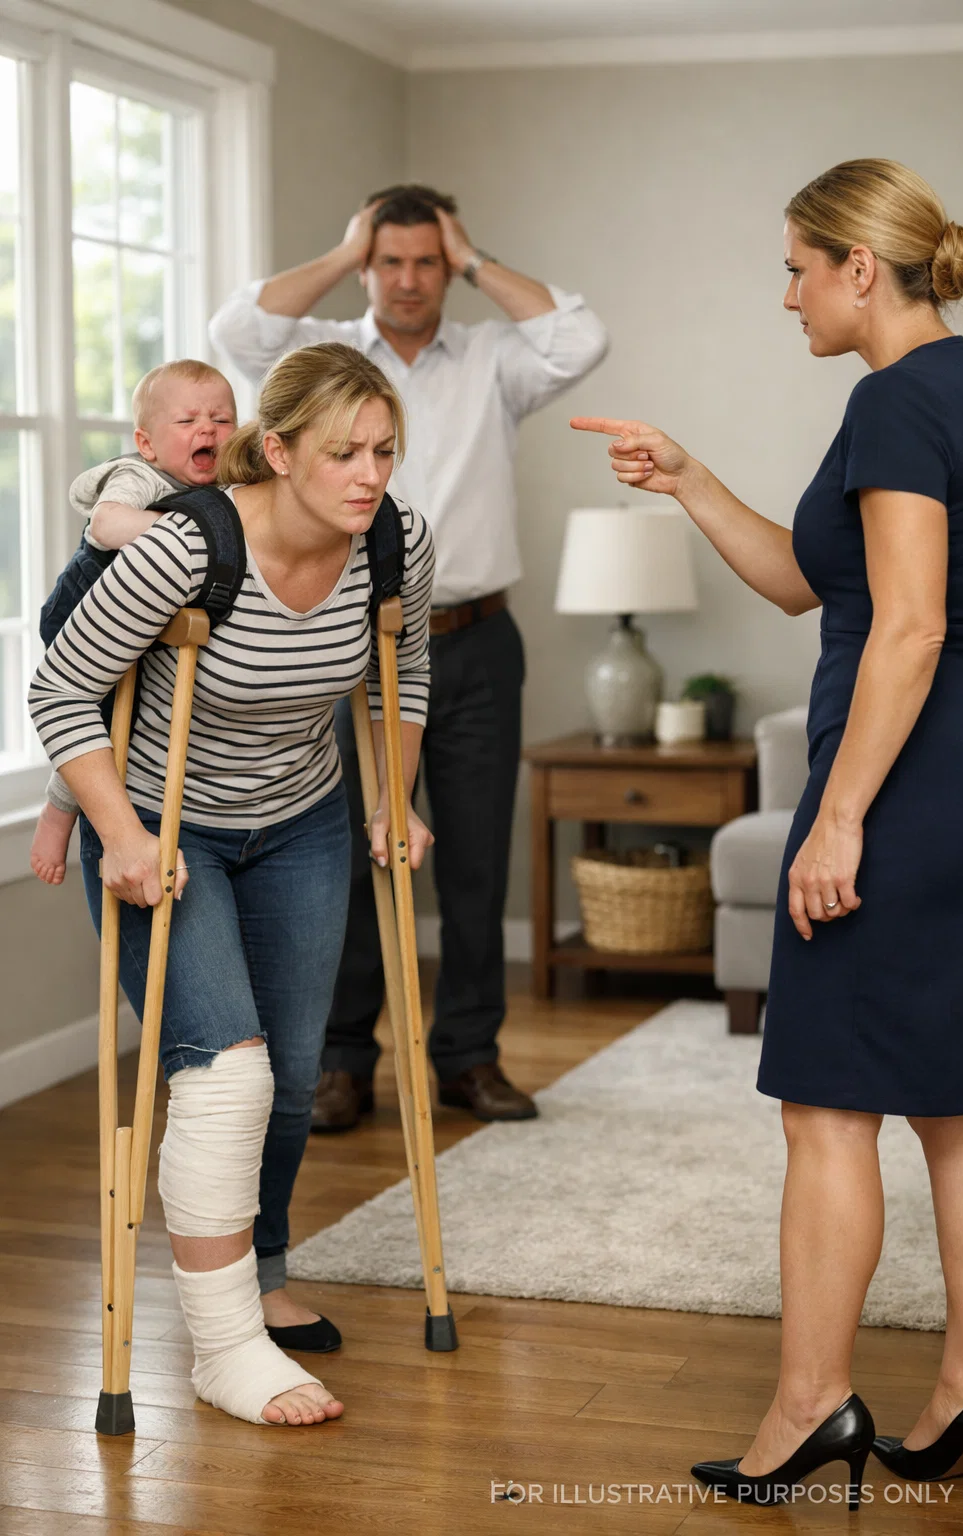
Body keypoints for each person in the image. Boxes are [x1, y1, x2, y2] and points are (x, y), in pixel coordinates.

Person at [574, 159, 963, 1506]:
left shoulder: (893, 401)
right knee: (960, 1106)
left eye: (795, 269)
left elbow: (907, 629)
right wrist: (689, 478)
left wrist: (835, 820)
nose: (788, 298)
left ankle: (810, 1408)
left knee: (829, 1108)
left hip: (905, 781)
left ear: (857, 268)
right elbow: (806, 583)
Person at [28, 342, 435, 1426]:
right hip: (163, 826)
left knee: (294, 1079)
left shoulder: (392, 541)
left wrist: (393, 797)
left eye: (385, 451)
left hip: (302, 821)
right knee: (227, 1076)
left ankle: (262, 1273)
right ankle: (223, 1348)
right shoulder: (183, 547)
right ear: (280, 450)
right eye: (344, 453)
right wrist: (118, 833)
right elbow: (60, 688)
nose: (369, 476)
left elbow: (406, 672)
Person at [209, 184, 608, 1128]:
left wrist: (475, 259)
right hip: (348, 649)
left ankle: (469, 1057)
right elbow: (235, 330)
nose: (409, 279)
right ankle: (343, 1061)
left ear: (447, 266)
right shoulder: (328, 357)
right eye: (390, 260)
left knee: (475, 861)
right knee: (348, 853)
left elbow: (581, 338)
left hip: (477, 643)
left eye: (428, 261)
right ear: (367, 264)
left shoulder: (493, 360)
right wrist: (341, 253)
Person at [30, 359, 238, 886]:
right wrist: (191, 535)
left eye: (222, 419)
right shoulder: (137, 476)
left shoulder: (224, 486)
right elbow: (106, 525)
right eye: (187, 421)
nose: (208, 429)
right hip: (82, 611)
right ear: (146, 443)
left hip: (150, 627)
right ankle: (58, 812)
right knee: (95, 726)